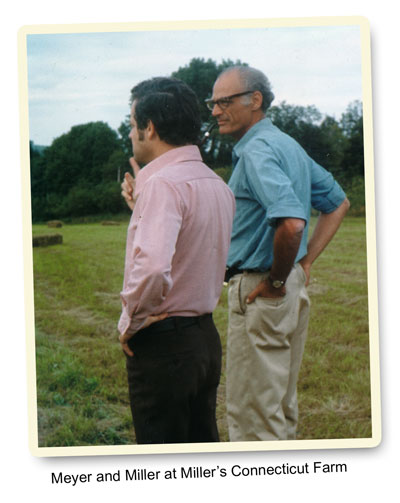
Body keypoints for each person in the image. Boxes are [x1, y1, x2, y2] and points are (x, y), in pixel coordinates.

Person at [206, 66, 350, 441]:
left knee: (254, 420)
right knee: (278, 408)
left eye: (225, 101)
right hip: (287, 288)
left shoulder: (255, 151)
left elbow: (291, 222)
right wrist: (303, 264)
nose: (215, 111)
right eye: (212, 102)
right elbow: (338, 203)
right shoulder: (287, 144)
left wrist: (275, 280)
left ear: (255, 100)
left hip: (263, 288)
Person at [118, 77, 235, 445]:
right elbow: (190, 242)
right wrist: (142, 206)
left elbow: (153, 267)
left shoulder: (163, 185)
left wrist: (132, 321)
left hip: (164, 344)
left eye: (133, 123)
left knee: (161, 462)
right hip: (204, 339)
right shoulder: (217, 184)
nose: (132, 133)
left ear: (149, 128)